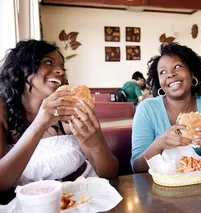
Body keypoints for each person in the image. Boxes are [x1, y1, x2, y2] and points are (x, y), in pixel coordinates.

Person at [0, 40, 119, 193]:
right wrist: (40, 123)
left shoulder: (69, 110)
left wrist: (97, 144)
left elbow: (109, 172)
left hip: (84, 199)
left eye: (63, 67)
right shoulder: (3, 111)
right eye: (48, 62)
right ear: (22, 69)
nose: (61, 72)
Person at [131, 43, 201, 173]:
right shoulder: (147, 109)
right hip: (161, 188)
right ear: (159, 81)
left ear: (192, 72)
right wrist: (158, 145)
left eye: (177, 66)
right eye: (162, 72)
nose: (170, 74)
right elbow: (136, 167)